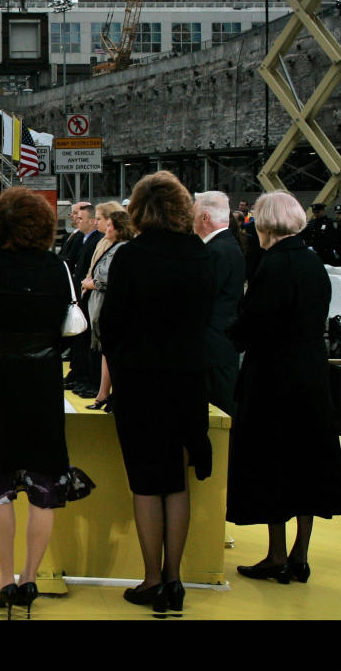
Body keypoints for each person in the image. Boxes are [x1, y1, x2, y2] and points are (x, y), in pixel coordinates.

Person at [0, 187, 76, 617]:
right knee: (44, 486)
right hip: (42, 385)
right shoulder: (57, 269)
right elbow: (66, 330)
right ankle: (29, 579)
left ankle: (4, 582)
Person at [100, 171, 215, 615]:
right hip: (188, 379)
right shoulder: (200, 255)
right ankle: (175, 579)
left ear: (138, 209)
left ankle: (151, 580)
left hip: (141, 382)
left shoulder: (131, 256)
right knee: (177, 480)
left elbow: (111, 326)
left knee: (147, 483)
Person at [227, 191, 341, 584]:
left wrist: (226, 335)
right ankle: (300, 554)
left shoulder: (272, 265)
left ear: (266, 224)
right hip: (311, 375)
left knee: (272, 461)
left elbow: (254, 322)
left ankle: (276, 553)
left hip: (274, 376)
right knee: (307, 463)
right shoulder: (313, 263)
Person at [192, 191, 244, 417]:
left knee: (216, 413)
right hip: (220, 345)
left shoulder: (215, 251)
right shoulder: (226, 245)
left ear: (205, 217)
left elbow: (201, 300)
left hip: (212, 349)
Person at [80, 203, 135, 411]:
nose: (106, 227)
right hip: (100, 304)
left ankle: (105, 394)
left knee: (109, 351)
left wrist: (90, 282)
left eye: (110, 224)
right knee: (105, 352)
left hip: (107, 305)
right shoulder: (109, 245)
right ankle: (102, 394)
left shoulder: (120, 249)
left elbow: (105, 277)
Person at [67, 204, 101, 398]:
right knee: (80, 339)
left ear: (93, 221)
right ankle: (80, 374)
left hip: (90, 295)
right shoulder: (84, 239)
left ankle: (88, 378)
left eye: (81, 218)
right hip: (81, 293)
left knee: (88, 340)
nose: (77, 221)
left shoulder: (97, 240)